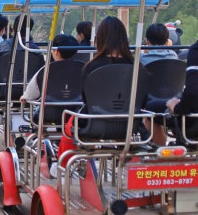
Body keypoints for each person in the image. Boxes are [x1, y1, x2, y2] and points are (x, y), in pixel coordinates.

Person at [57, 16, 143, 163]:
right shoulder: (137, 67)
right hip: (131, 124)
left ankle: (63, 165)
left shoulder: (92, 66)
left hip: (95, 124)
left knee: (71, 121)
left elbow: (86, 99)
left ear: (99, 38)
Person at [20, 34, 79, 104]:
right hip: (76, 110)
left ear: (56, 51)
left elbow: (31, 93)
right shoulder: (81, 68)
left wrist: (25, 97)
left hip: (50, 111)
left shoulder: (46, 70)